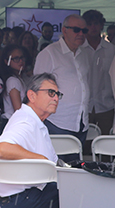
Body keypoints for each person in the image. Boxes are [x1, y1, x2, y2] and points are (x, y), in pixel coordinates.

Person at [0, 73, 61, 208]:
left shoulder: (32, 119)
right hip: (20, 199)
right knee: (80, 197)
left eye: (58, 94)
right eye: (51, 93)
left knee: (75, 191)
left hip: (20, 196)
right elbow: (1, 149)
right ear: (32, 95)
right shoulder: (25, 121)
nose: (56, 98)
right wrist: (41, 159)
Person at [33, 15, 91, 149]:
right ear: (64, 31)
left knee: (76, 167)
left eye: (84, 31)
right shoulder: (49, 53)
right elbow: (37, 89)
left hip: (81, 122)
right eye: (76, 30)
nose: (81, 34)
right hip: (57, 122)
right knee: (57, 167)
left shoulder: (84, 54)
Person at [82, 10, 115, 135]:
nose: (93, 27)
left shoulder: (112, 50)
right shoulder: (78, 49)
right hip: (83, 106)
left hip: (106, 105)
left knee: (105, 145)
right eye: (89, 24)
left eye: (96, 24)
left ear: (102, 25)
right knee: (84, 147)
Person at [0, 45, 32, 119]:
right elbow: (18, 109)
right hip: (14, 121)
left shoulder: (20, 78)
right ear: (7, 61)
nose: (21, 61)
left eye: (22, 58)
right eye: (16, 58)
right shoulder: (13, 81)